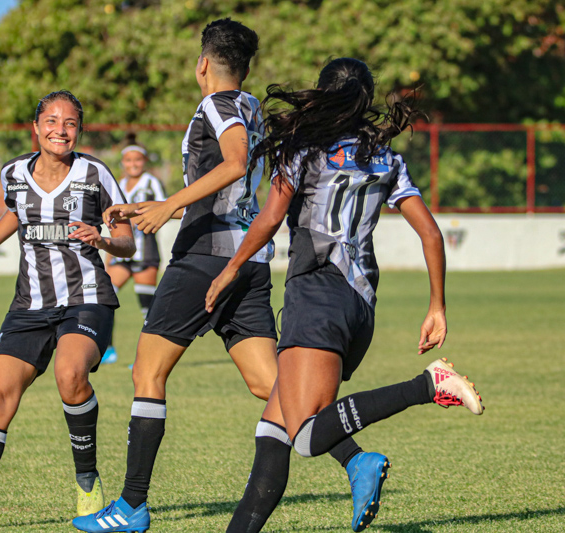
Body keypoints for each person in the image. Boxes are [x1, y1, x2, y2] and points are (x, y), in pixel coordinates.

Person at [204, 58, 484, 533]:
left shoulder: (304, 149)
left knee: (308, 437)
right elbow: (431, 234)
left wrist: (230, 269)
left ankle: (427, 386)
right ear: (365, 100)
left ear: (322, 93)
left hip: (314, 293)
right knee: (272, 437)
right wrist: (436, 306)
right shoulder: (387, 157)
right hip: (359, 305)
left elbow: (270, 218)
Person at [73, 18, 281, 533]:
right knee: (271, 385)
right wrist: (156, 205)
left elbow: (233, 165)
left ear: (203, 64)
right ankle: (355, 457)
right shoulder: (253, 107)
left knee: (148, 374)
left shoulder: (217, 103)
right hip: (247, 261)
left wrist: (169, 207)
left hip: (204, 257)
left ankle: (131, 506)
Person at [0, 91, 135, 532]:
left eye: (71, 122)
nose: (61, 129)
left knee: (70, 375)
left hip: (87, 298)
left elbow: (128, 242)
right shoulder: (14, 173)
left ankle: (87, 480)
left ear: (80, 130)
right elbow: (14, 215)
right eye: (52, 121)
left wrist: (103, 240)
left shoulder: (95, 174)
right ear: (36, 128)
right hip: (29, 304)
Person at [101, 134, 168, 365]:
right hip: (121, 251)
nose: (133, 164)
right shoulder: (118, 185)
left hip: (145, 252)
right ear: (123, 163)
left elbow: (165, 209)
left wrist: (143, 218)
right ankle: (107, 349)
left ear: (144, 161)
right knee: (105, 297)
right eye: (128, 160)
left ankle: (148, 357)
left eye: (137, 160)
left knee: (146, 306)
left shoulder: (152, 183)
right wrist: (109, 254)